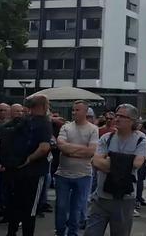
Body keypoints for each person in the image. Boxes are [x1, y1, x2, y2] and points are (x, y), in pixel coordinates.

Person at [85, 103, 146, 236]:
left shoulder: (140, 139)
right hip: (100, 198)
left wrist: (108, 160)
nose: (117, 119)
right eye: (116, 115)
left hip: (124, 200)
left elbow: (137, 163)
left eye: (122, 116)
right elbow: (95, 161)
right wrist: (124, 164)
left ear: (132, 121)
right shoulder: (106, 138)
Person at [0, 95, 52, 236]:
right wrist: (29, 159)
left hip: (15, 170)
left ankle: (11, 232)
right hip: (34, 171)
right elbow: (44, 148)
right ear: (44, 106)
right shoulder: (44, 123)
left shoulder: (22, 121)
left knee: (15, 204)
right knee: (30, 210)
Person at [54, 101, 98, 236]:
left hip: (83, 175)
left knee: (77, 208)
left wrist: (70, 151)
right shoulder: (66, 127)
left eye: (77, 110)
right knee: (61, 207)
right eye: (73, 110)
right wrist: (81, 150)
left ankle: (72, 233)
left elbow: (91, 152)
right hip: (63, 174)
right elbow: (61, 145)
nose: (74, 112)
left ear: (85, 112)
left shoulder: (93, 129)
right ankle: (60, 232)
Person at [135, 120, 146, 208]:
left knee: (140, 180)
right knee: (137, 180)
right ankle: (137, 199)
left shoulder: (145, 134)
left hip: (142, 159)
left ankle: (138, 198)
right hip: (138, 159)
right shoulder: (138, 135)